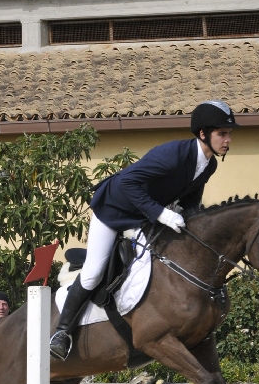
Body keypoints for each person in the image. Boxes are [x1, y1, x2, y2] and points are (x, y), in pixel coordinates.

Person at [49, 100, 239, 361]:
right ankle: (62, 333)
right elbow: (127, 182)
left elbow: (190, 201)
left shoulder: (208, 164)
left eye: (229, 134)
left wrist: (189, 221)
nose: (228, 140)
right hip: (113, 211)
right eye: (222, 134)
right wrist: (162, 213)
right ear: (203, 134)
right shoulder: (173, 154)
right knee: (93, 273)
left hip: (143, 218)